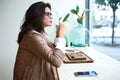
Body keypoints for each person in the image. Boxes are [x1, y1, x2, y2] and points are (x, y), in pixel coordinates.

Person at [13, 1, 66, 80]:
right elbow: (56, 61)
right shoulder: (32, 36)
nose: (51, 17)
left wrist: (58, 34)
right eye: (48, 14)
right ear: (37, 15)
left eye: (51, 14)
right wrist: (61, 34)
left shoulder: (38, 33)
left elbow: (52, 49)